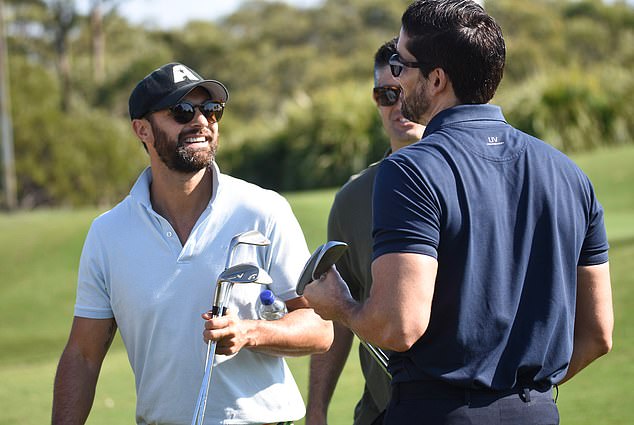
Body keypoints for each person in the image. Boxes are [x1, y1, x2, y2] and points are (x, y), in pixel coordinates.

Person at [302, 1, 614, 424]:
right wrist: (522, 396)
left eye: (402, 63)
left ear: (436, 80)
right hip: (537, 413)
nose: (396, 74)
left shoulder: (409, 170)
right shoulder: (569, 173)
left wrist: (340, 306)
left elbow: (399, 326)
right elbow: (597, 334)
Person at [52, 62, 333, 425]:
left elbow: (319, 327)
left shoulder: (264, 209)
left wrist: (250, 332)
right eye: (182, 111)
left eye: (211, 110)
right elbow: (83, 356)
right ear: (142, 129)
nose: (201, 121)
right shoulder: (108, 234)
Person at [305, 38, 424, 425]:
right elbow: (338, 310)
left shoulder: (471, 180)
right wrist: (317, 409)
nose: (398, 105)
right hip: (382, 412)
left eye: (406, 91)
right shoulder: (353, 199)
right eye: (386, 94)